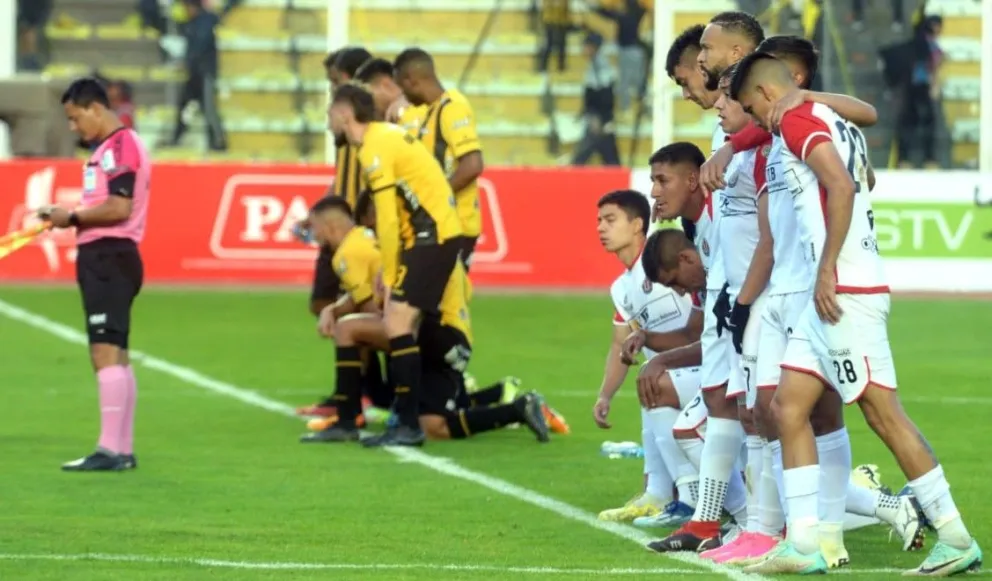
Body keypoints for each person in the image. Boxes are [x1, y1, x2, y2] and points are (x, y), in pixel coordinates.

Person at [730, 51, 981, 576]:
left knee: (883, 416)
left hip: (843, 293)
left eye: (751, 104)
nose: (753, 116)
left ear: (768, 93)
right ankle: (803, 544)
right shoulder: (822, 115)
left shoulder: (799, 119)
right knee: (787, 408)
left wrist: (825, 272)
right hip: (830, 297)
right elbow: (863, 115)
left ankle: (954, 535)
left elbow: (841, 186)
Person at [302, 196, 551, 444]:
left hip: (440, 333)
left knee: (349, 329)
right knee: (434, 426)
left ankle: (349, 420)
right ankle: (519, 408)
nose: (373, 234)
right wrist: (336, 309)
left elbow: (395, 311)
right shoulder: (415, 249)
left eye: (375, 226)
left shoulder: (418, 251)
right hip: (453, 340)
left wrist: (356, 312)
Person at [330, 84, 464, 447]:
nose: (329, 125)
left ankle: (407, 423)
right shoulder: (383, 138)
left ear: (344, 114)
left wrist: (390, 273)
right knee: (398, 322)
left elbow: (387, 219)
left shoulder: (374, 146)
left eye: (330, 116)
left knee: (399, 321)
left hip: (432, 236)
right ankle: (401, 421)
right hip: (429, 235)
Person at [41, 78, 150, 472]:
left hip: (109, 256)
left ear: (95, 109)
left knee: (104, 352)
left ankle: (110, 449)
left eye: (75, 118)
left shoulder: (120, 146)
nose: (73, 127)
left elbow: (119, 208)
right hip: (110, 257)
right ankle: (120, 450)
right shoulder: (109, 149)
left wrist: (71, 216)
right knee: (116, 353)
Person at [592, 189, 704, 525]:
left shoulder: (665, 259)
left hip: (703, 365)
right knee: (650, 382)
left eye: (610, 220)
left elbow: (696, 325)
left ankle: (690, 499)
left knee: (653, 382)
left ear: (638, 224)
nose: (600, 228)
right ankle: (657, 493)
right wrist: (605, 395)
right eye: (598, 221)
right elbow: (618, 345)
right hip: (670, 372)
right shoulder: (620, 287)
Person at [393, 48, 484, 272]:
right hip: (439, 225)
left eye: (402, 87)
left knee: (444, 303)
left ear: (411, 81)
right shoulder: (431, 112)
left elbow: (472, 164)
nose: (403, 95)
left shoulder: (452, 107)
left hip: (456, 226)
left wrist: (434, 198)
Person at [169, 0, 227, 151]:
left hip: (205, 72)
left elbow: (200, 45)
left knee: (209, 109)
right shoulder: (193, 22)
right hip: (194, 73)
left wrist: (186, 61)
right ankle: (177, 138)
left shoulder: (205, 21)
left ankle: (218, 142)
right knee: (185, 106)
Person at [572, 32, 620, 167]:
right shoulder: (594, 64)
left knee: (583, 157)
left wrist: (601, 118)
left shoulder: (600, 67)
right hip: (598, 119)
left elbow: (604, 95)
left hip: (599, 121)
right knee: (610, 159)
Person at [537, 0, 570, 73]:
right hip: (550, 21)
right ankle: (542, 67)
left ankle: (561, 67)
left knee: (562, 45)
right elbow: (546, 6)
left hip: (562, 22)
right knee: (548, 44)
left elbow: (565, 6)